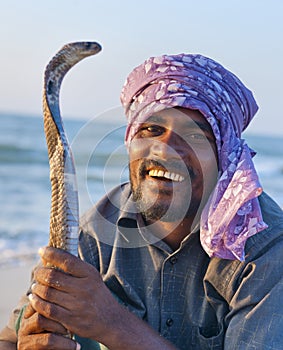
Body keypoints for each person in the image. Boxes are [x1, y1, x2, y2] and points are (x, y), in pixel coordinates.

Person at [0, 53, 283, 350]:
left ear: (224, 156)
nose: (165, 150)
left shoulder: (267, 249)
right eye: (152, 129)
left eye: (195, 135)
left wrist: (111, 322)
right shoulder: (96, 233)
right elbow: (9, 340)